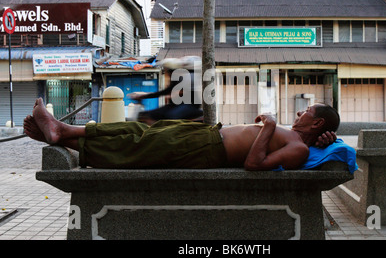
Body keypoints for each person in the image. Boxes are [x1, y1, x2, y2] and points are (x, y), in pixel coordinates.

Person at [24, 98, 339, 171]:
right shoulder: (299, 137)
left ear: (317, 125)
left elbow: (255, 165)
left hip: (207, 150)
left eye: (308, 112)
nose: (301, 113)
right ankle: (62, 132)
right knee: (139, 130)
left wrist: (268, 126)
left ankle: (62, 132)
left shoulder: (298, 149)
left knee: (138, 145)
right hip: (206, 136)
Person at [128, 56, 203, 125]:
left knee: (171, 118)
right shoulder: (179, 77)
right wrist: (145, 95)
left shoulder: (189, 76)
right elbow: (167, 91)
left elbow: (168, 91)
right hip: (177, 105)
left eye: (166, 69)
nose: (165, 71)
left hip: (189, 106)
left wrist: (145, 95)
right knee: (150, 115)